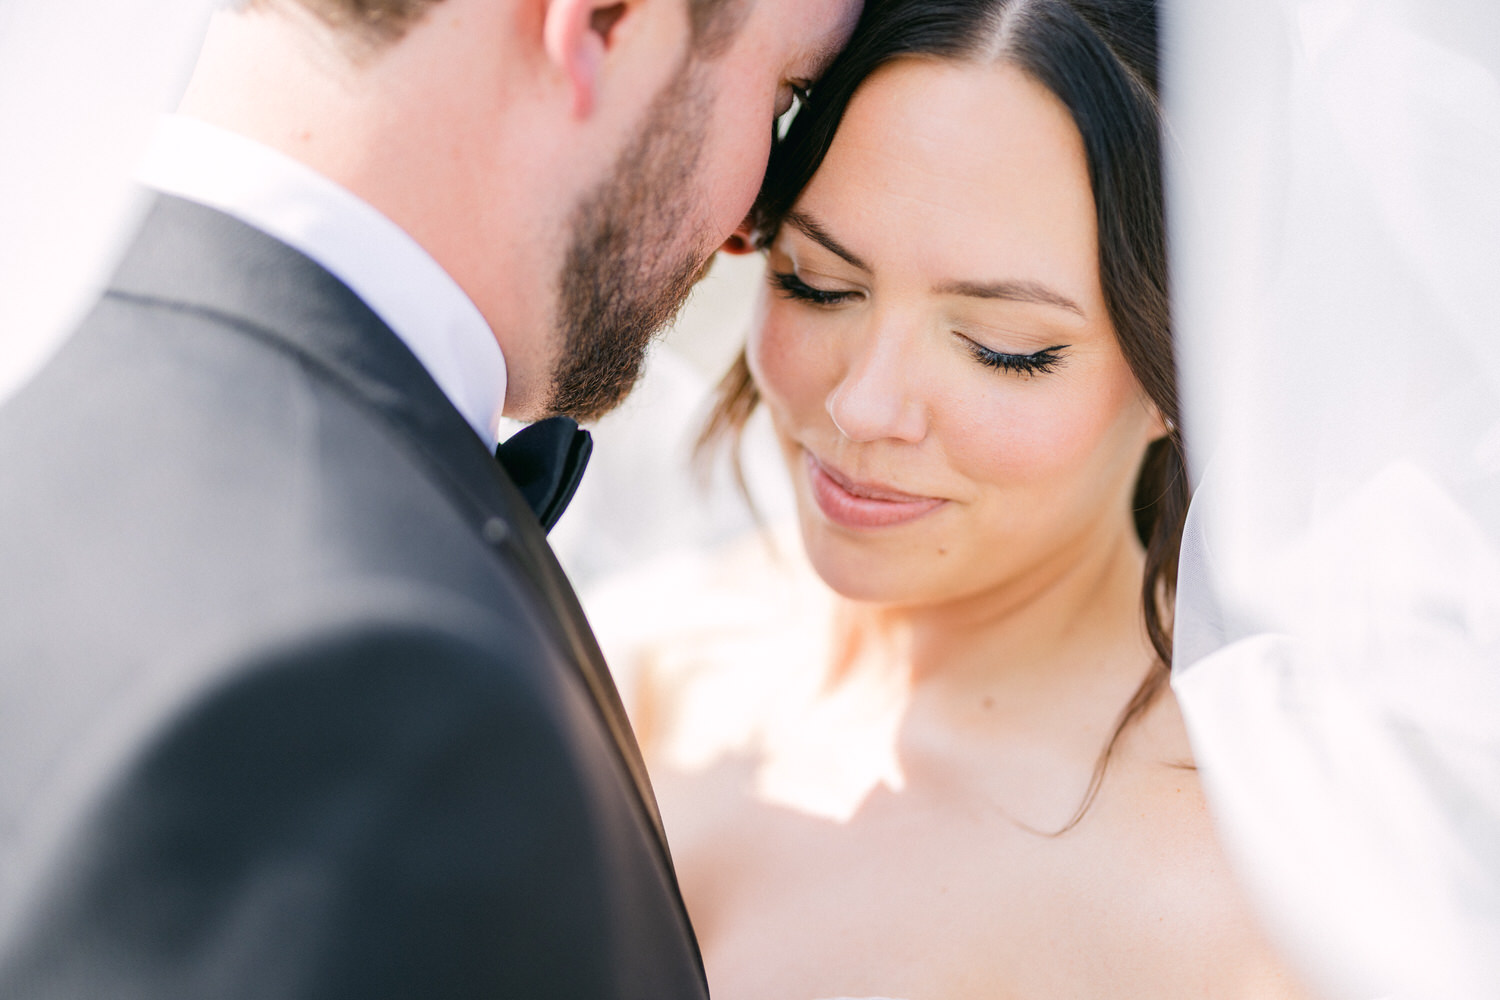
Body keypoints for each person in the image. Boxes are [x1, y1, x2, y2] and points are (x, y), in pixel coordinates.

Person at [0, 0, 859, 995]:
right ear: (599, 24)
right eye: (787, 94)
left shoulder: (41, 368)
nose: (756, 227)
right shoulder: (368, 688)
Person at [594, 0, 1314, 996]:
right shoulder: (638, 660)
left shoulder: (1222, 904)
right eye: (817, 285)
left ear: (1181, 371)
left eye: (1002, 349)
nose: (863, 403)